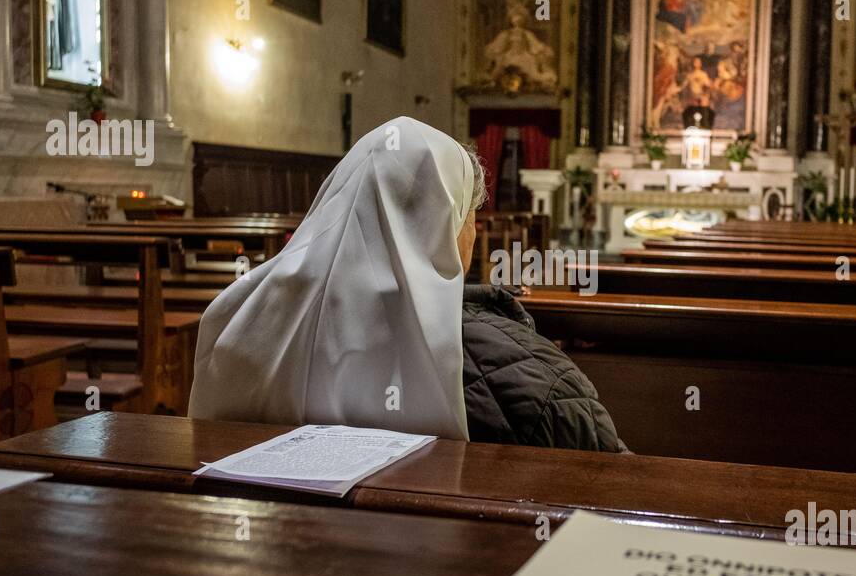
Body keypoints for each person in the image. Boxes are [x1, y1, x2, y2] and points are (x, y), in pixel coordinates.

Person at [190, 116, 625, 453]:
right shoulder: (525, 369)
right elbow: (610, 481)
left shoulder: (231, 318)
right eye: (470, 217)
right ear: (451, 227)